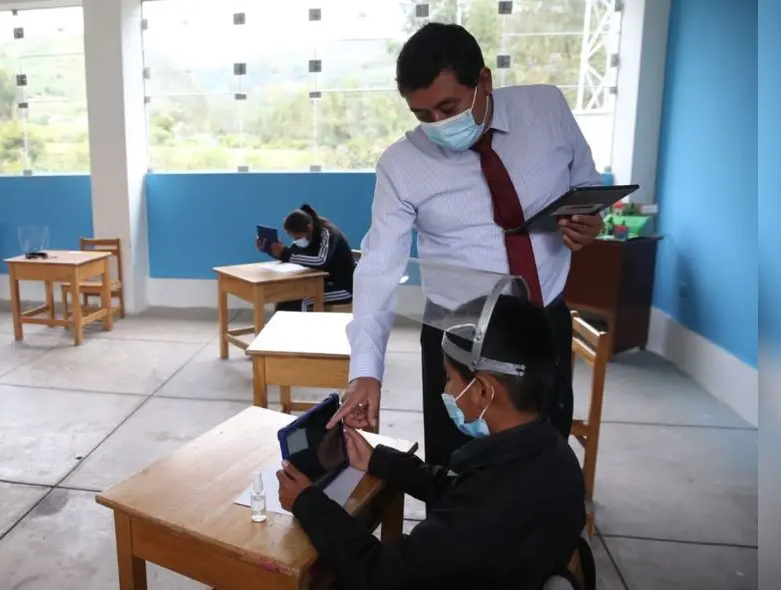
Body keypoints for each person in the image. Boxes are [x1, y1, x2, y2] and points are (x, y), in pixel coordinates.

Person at [330, 23, 604, 470]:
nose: (438, 125)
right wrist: (365, 371)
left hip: (542, 325)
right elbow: (378, 267)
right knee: (456, 471)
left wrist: (590, 220)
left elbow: (586, 184)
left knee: (543, 464)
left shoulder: (547, 109)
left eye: (448, 107)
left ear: (484, 81)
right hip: (458, 339)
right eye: (422, 115)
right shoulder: (402, 165)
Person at [277, 295, 587, 590]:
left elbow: (381, 576)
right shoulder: (552, 455)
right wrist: (379, 460)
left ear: (483, 390)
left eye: (449, 377)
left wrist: (307, 503)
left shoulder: (484, 511)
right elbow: (460, 490)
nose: (447, 390)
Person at [257, 203, 355, 311]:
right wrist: (272, 250)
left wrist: (285, 253)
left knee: (301, 299)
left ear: (309, 228)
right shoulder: (304, 231)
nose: (296, 240)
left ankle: (300, 323)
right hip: (320, 283)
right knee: (285, 297)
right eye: (293, 237)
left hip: (343, 287)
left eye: (298, 237)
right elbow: (294, 256)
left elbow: (321, 261)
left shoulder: (327, 233)